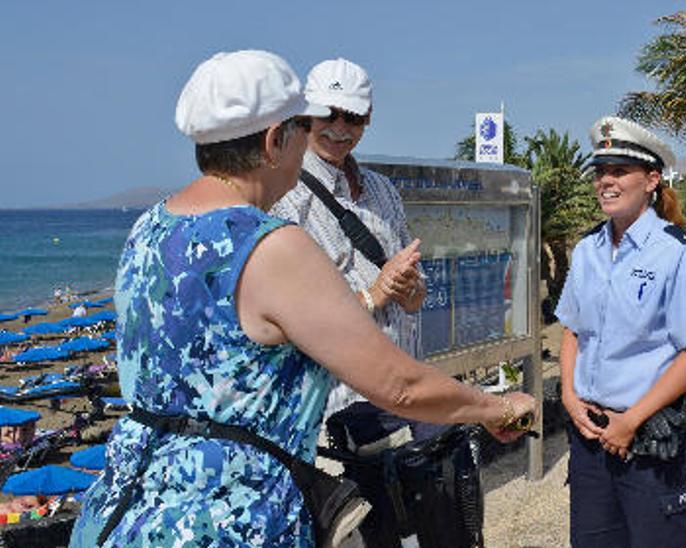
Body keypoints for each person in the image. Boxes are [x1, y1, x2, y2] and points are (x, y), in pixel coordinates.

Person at [69, 50, 535, 547]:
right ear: (275, 140)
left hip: (132, 508)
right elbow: (396, 384)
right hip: (230, 519)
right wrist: (495, 407)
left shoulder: (149, 227)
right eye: (302, 128)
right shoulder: (270, 245)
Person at [556, 116, 686, 547]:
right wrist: (570, 399)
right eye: (600, 172)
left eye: (619, 172)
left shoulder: (680, 252)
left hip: (650, 444)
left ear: (651, 180)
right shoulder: (587, 250)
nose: (605, 183)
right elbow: (573, 330)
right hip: (591, 439)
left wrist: (630, 421)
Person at [269, 58, 426, 424]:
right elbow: (288, 323)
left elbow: (416, 299)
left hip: (405, 394)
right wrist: (375, 294)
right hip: (335, 412)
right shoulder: (283, 198)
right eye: (329, 115)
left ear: (368, 117)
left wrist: (410, 289)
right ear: (305, 117)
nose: (340, 128)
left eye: (352, 117)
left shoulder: (382, 189)